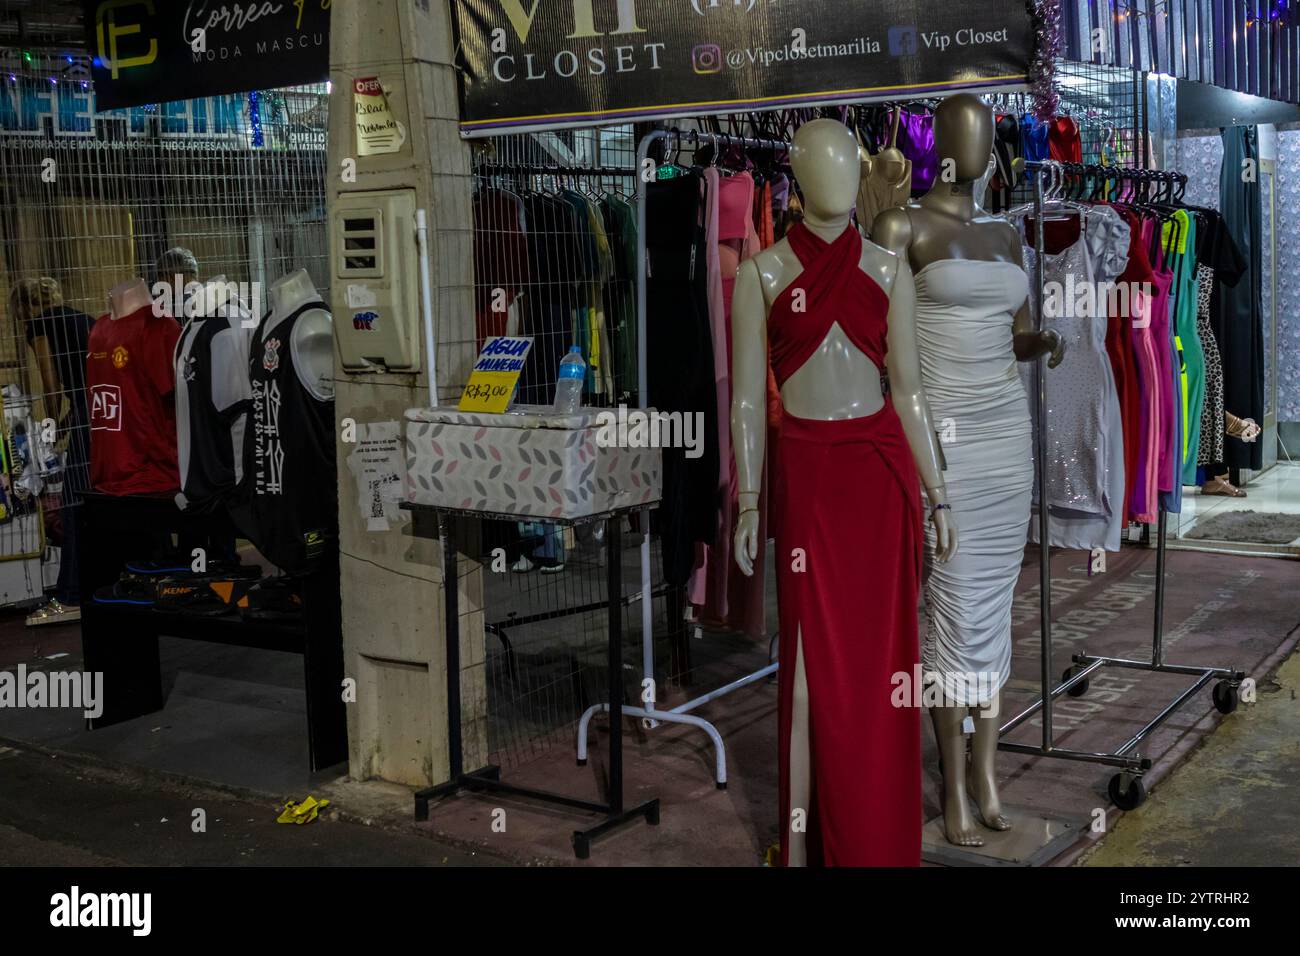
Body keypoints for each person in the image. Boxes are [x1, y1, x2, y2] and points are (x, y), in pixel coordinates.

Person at [8, 277, 95, 625]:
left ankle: (71, 595)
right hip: (105, 409)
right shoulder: (80, 316)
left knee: (73, 503)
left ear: (25, 308)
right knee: (94, 497)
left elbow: (50, 380)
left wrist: (52, 422)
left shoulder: (41, 325)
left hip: (86, 413)